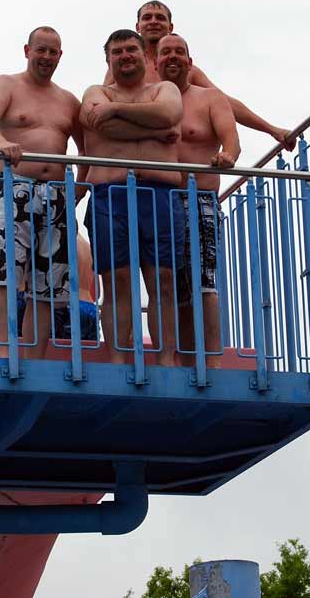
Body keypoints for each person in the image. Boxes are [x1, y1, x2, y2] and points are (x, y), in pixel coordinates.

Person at [0, 26, 83, 359]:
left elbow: (87, 144)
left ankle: (34, 356)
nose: (47, 57)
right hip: (13, 185)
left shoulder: (67, 100)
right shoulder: (6, 84)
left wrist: (80, 184)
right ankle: (6, 351)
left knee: (50, 280)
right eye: (41, 50)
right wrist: (2, 142)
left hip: (55, 196)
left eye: (53, 52)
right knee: (6, 271)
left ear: (60, 56)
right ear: (27, 50)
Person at [80, 29, 184, 366]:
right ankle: (118, 358)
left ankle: (167, 358)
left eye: (131, 50)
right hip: (110, 196)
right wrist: (156, 131)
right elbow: (101, 126)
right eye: (117, 51)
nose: (125, 56)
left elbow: (170, 113)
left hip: (161, 195)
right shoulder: (96, 92)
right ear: (108, 59)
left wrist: (115, 112)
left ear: (145, 56)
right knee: (117, 280)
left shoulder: (164, 89)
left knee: (163, 280)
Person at [155, 33, 240, 368]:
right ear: (156, 61)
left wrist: (228, 155)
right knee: (169, 285)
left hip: (197, 198)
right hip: (159, 198)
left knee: (203, 282)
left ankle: (212, 362)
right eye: (166, 53)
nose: (173, 57)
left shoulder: (210, 98)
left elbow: (231, 139)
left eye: (180, 52)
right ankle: (183, 358)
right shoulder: (149, 99)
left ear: (190, 61)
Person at [105, 0, 294, 146]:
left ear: (171, 28)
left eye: (160, 18)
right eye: (147, 17)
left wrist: (271, 130)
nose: (154, 22)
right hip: (138, 164)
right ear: (137, 27)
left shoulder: (189, 71)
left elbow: (226, 103)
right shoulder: (123, 69)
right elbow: (100, 110)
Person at [52, 234, 100, 342]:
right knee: (89, 356)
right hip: (90, 308)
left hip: (68, 305)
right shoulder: (88, 247)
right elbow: (97, 292)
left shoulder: (59, 240)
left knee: (57, 355)